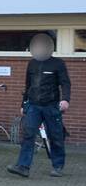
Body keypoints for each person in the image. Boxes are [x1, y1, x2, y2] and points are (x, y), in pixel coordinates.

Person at [7, 33, 71, 178]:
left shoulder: (58, 64)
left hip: (51, 106)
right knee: (28, 135)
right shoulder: (32, 63)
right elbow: (28, 85)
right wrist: (23, 103)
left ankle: (57, 166)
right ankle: (23, 167)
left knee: (55, 136)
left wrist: (65, 100)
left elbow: (65, 83)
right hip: (33, 106)